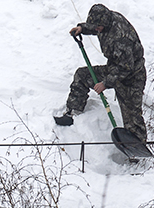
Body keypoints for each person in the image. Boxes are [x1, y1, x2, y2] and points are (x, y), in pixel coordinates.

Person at [54, 4, 147, 143]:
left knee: (132, 118)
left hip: (131, 77)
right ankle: (73, 111)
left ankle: (136, 150)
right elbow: (94, 26)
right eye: (96, 26)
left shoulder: (121, 37)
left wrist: (105, 83)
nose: (96, 29)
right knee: (82, 75)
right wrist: (82, 28)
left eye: (98, 27)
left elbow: (126, 68)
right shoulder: (106, 20)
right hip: (114, 68)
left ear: (104, 22)